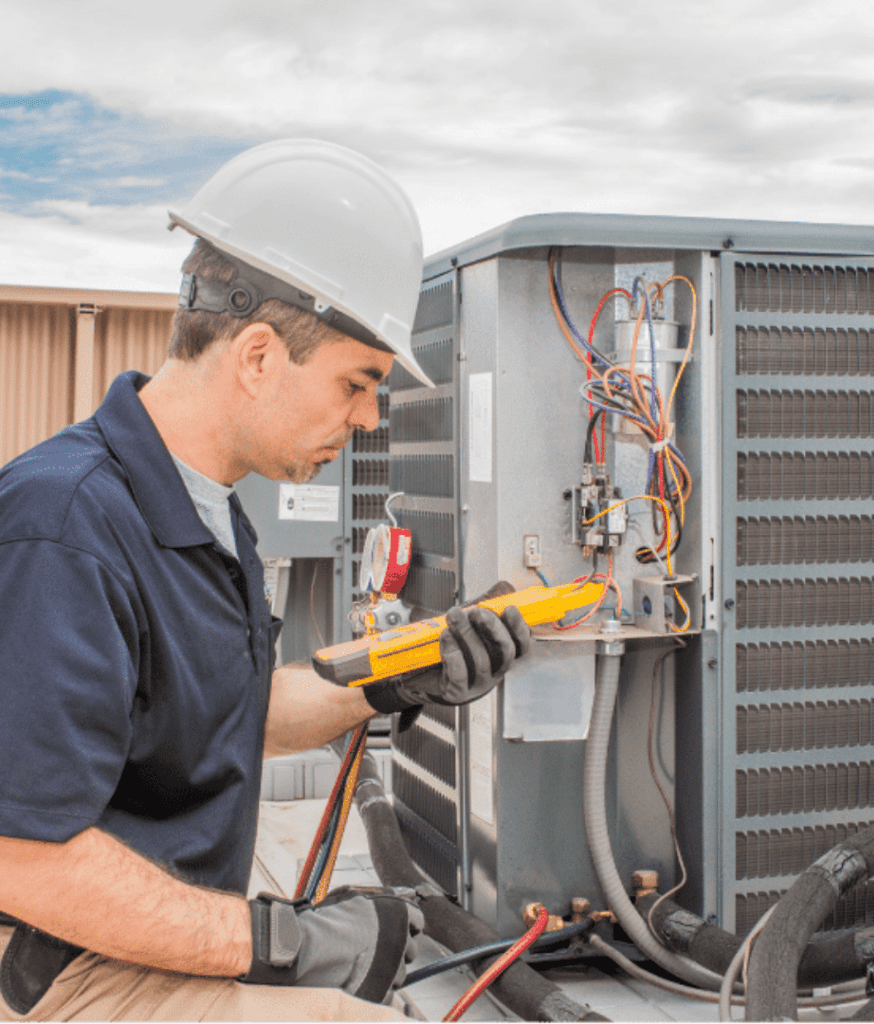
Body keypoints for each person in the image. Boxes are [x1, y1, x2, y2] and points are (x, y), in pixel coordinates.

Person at [0, 139, 531, 1022]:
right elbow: (21, 855)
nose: (369, 417)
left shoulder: (206, 512)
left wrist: (405, 672)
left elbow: (230, 718)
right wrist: (278, 943)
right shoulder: (63, 527)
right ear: (256, 356)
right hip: (60, 973)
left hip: (138, 939)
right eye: (357, 382)